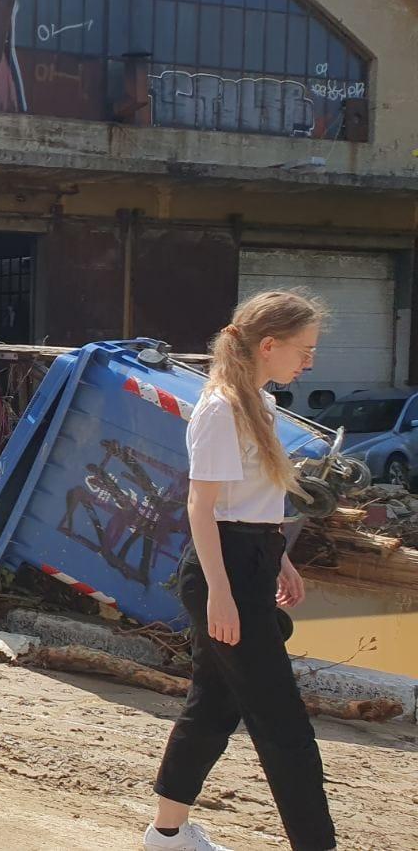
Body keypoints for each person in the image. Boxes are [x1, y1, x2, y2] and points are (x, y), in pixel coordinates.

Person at [146, 291, 335, 851]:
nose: (309, 361)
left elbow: (253, 501)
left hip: (251, 559)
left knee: (212, 707)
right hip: (220, 571)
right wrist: (221, 599)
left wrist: (281, 557)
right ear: (268, 345)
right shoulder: (220, 409)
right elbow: (201, 509)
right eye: (304, 349)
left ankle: (166, 835)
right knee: (285, 726)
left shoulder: (261, 405)